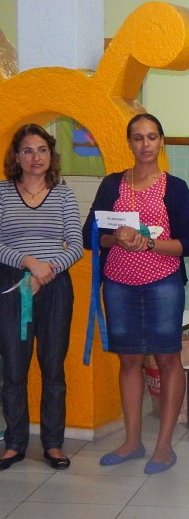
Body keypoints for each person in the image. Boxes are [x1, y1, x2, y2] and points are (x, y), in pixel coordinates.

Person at [83, 113, 189, 474]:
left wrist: (148, 243)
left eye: (152, 137)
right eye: (138, 137)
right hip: (119, 284)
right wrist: (114, 238)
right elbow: (90, 235)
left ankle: (164, 445)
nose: (145, 144)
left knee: (167, 359)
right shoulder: (112, 185)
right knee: (129, 360)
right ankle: (132, 441)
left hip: (163, 284)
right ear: (129, 143)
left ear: (161, 141)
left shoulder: (174, 187)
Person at [0, 124, 83, 470]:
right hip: (12, 286)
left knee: (53, 368)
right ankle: (15, 443)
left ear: (51, 155)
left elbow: (76, 244)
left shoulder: (63, 194)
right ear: (16, 157)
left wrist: (45, 272)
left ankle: (53, 443)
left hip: (55, 287)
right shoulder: (2, 193)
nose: (36, 157)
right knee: (13, 369)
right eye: (28, 151)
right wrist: (28, 263)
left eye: (42, 150)